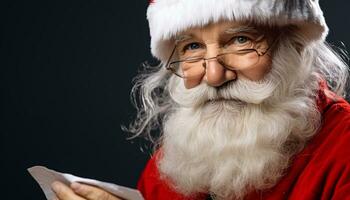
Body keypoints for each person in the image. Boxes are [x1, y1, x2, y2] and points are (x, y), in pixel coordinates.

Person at [51, 0, 350, 199]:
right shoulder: (177, 159)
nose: (214, 75)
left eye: (241, 40)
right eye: (192, 46)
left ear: (295, 47)